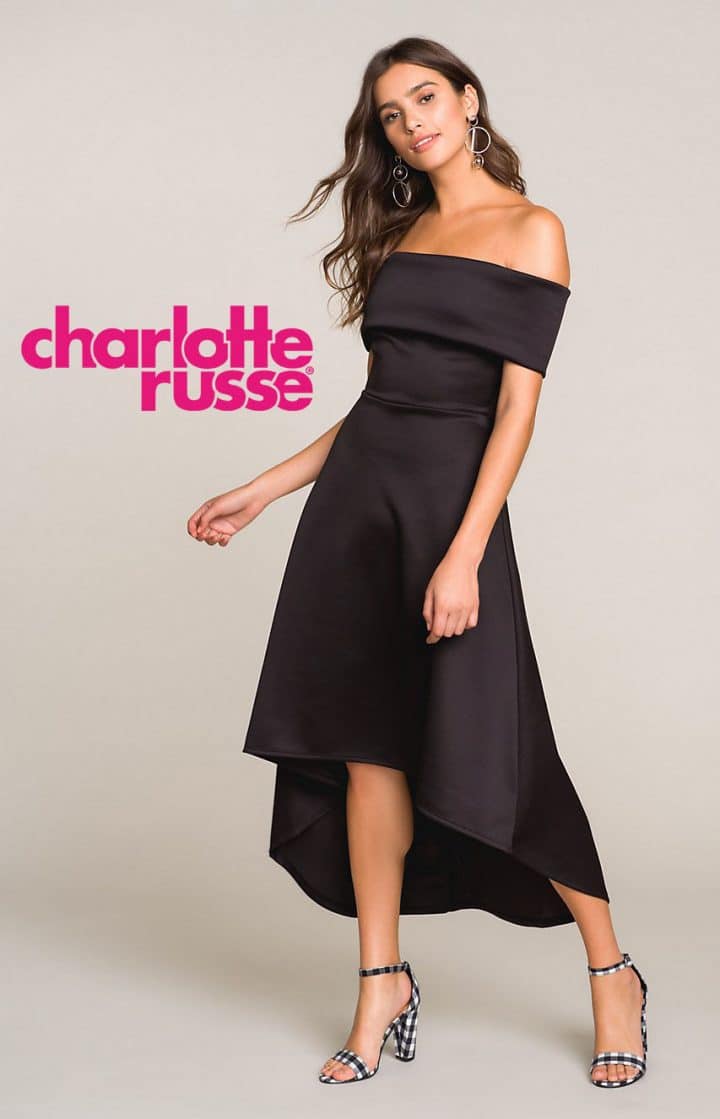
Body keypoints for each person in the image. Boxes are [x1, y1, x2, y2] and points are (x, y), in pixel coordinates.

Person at [187, 36, 648, 1090]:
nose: (412, 123)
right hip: (357, 516)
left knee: (502, 749)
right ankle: (379, 981)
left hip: (452, 518)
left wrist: (466, 553)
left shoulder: (533, 229)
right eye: (392, 114)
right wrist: (265, 488)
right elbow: (379, 405)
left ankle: (611, 971)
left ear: (469, 100)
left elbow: (516, 410)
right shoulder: (401, 237)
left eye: (426, 98)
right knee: (366, 751)